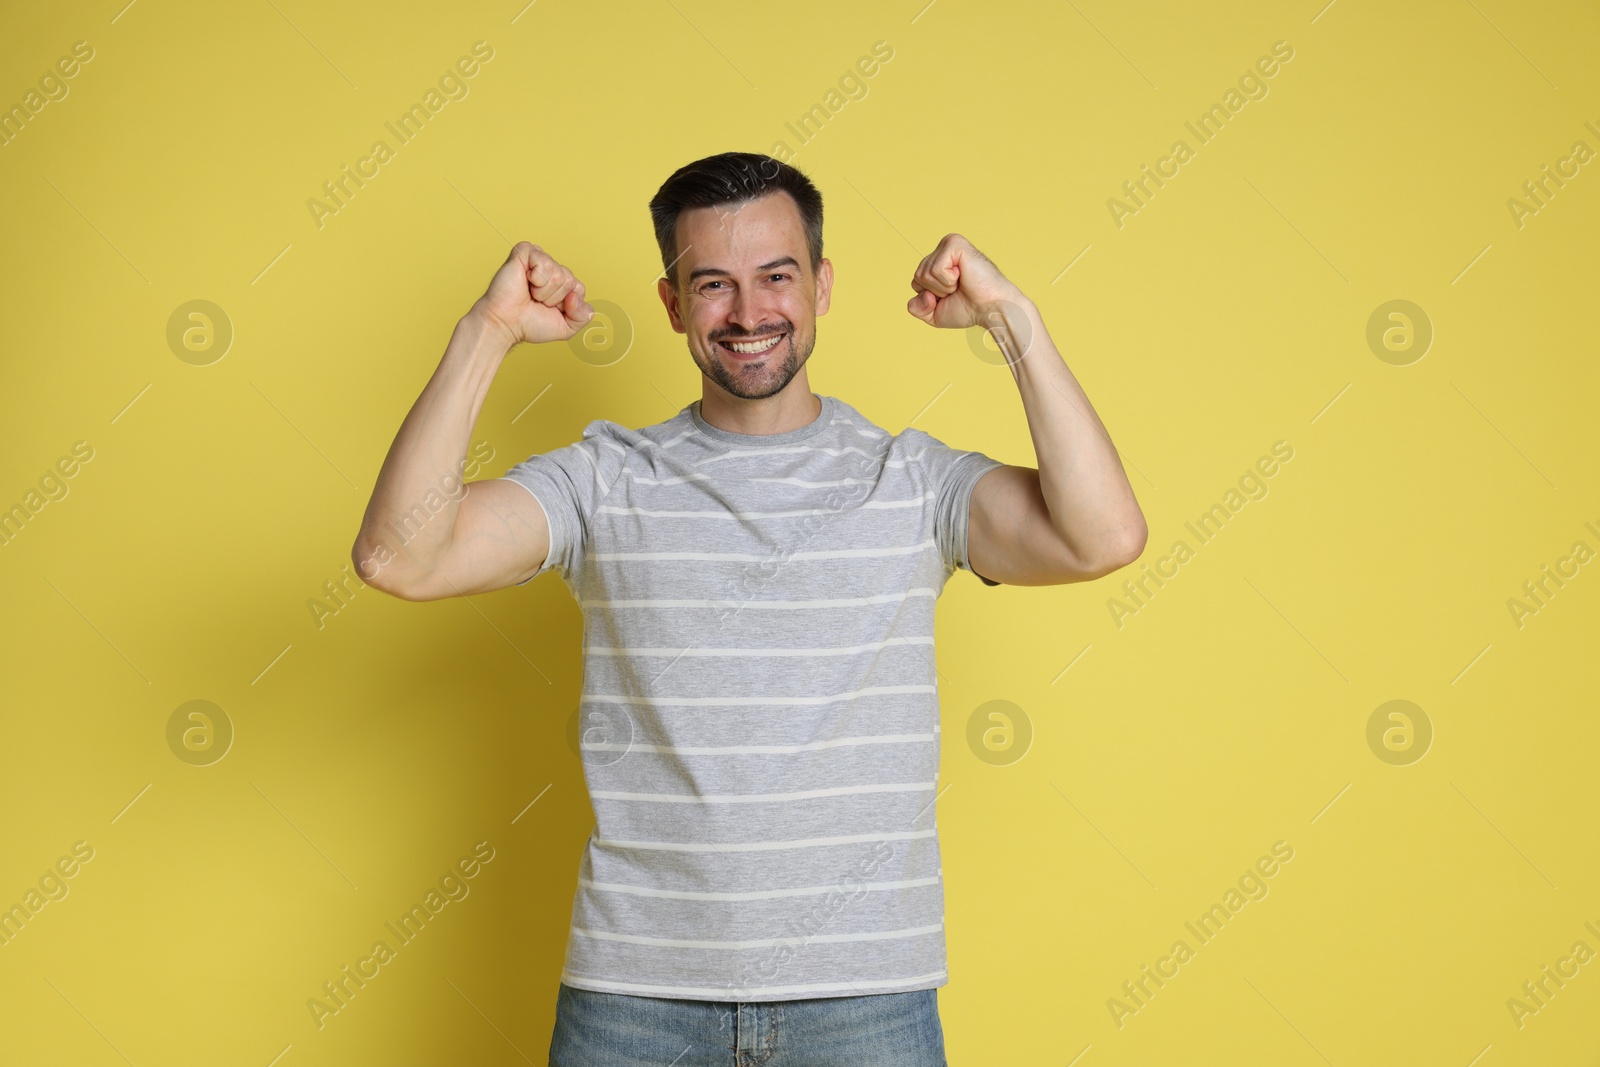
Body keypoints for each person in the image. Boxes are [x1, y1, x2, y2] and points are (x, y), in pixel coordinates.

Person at [351, 151, 1147, 1066]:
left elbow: (1104, 537)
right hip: (634, 1002)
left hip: (864, 1002)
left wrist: (1012, 321)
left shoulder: (912, 481)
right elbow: (397, 557)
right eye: (713, 284)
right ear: (673, 304)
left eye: (777, 276)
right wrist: (487, 330)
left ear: (823, 284)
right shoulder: (605, 479)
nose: (749, 313)